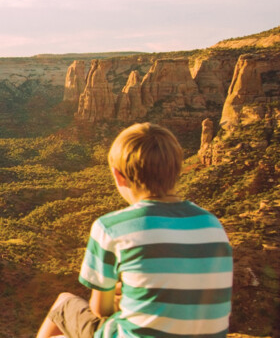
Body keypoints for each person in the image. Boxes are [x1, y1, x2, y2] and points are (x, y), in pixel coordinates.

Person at [37, 123, 232, 338]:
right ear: (179, 170)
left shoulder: (110, 227)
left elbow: (101, 310)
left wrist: (119, 301)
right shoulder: (212, 224)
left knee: (64, 304)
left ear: (118, 176)